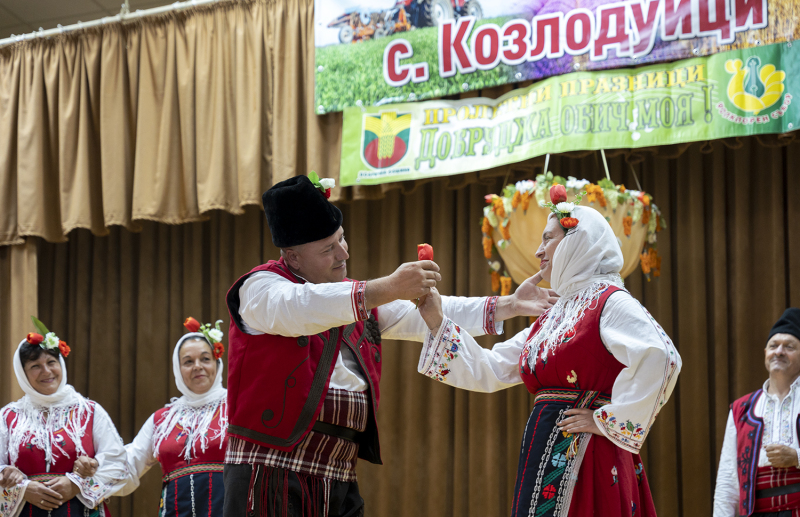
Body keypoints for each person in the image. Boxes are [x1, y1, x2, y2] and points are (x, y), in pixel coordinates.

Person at [222, 174, 556, 517]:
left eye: (342, 239)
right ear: (292, 258)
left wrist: (510, 304)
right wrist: (391, 286)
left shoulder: (356, 299)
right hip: (271, 467)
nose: (343, 253)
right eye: (327, 249)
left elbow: (427, 311)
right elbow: (304, 306)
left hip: (338, 470)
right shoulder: (259, 290)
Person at [416, 202, 681, 517]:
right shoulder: (554, 316)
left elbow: (662, 356)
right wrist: (436, 320)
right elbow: (490, 369)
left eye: (548, 239)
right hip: (543, 447)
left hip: (588, 452)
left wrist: (608, 419)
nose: (538, 251)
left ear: (576, 242)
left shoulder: (610, 301)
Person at [0, 319, 128, 516]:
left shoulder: (89, 411)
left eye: (51, 362)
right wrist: (22, 488)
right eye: (35, 366)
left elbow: (117, 463)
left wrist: (76, 485)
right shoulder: (8, 416)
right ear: (22, 374)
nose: (46, 371)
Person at [108, 317, 229, 516]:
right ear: (177, 369)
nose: (197, 366)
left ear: (217, 362)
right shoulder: (164, 419)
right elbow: (130, 463)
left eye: (205, 359)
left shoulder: (237, 408)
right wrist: (92, 470)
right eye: (188, 362)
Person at [714, 308, 800, 517]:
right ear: (765, 353)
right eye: (773, 345)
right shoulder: (741, 409)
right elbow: (727, 482)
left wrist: (796, 457)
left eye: (789, 346)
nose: (779, 351)